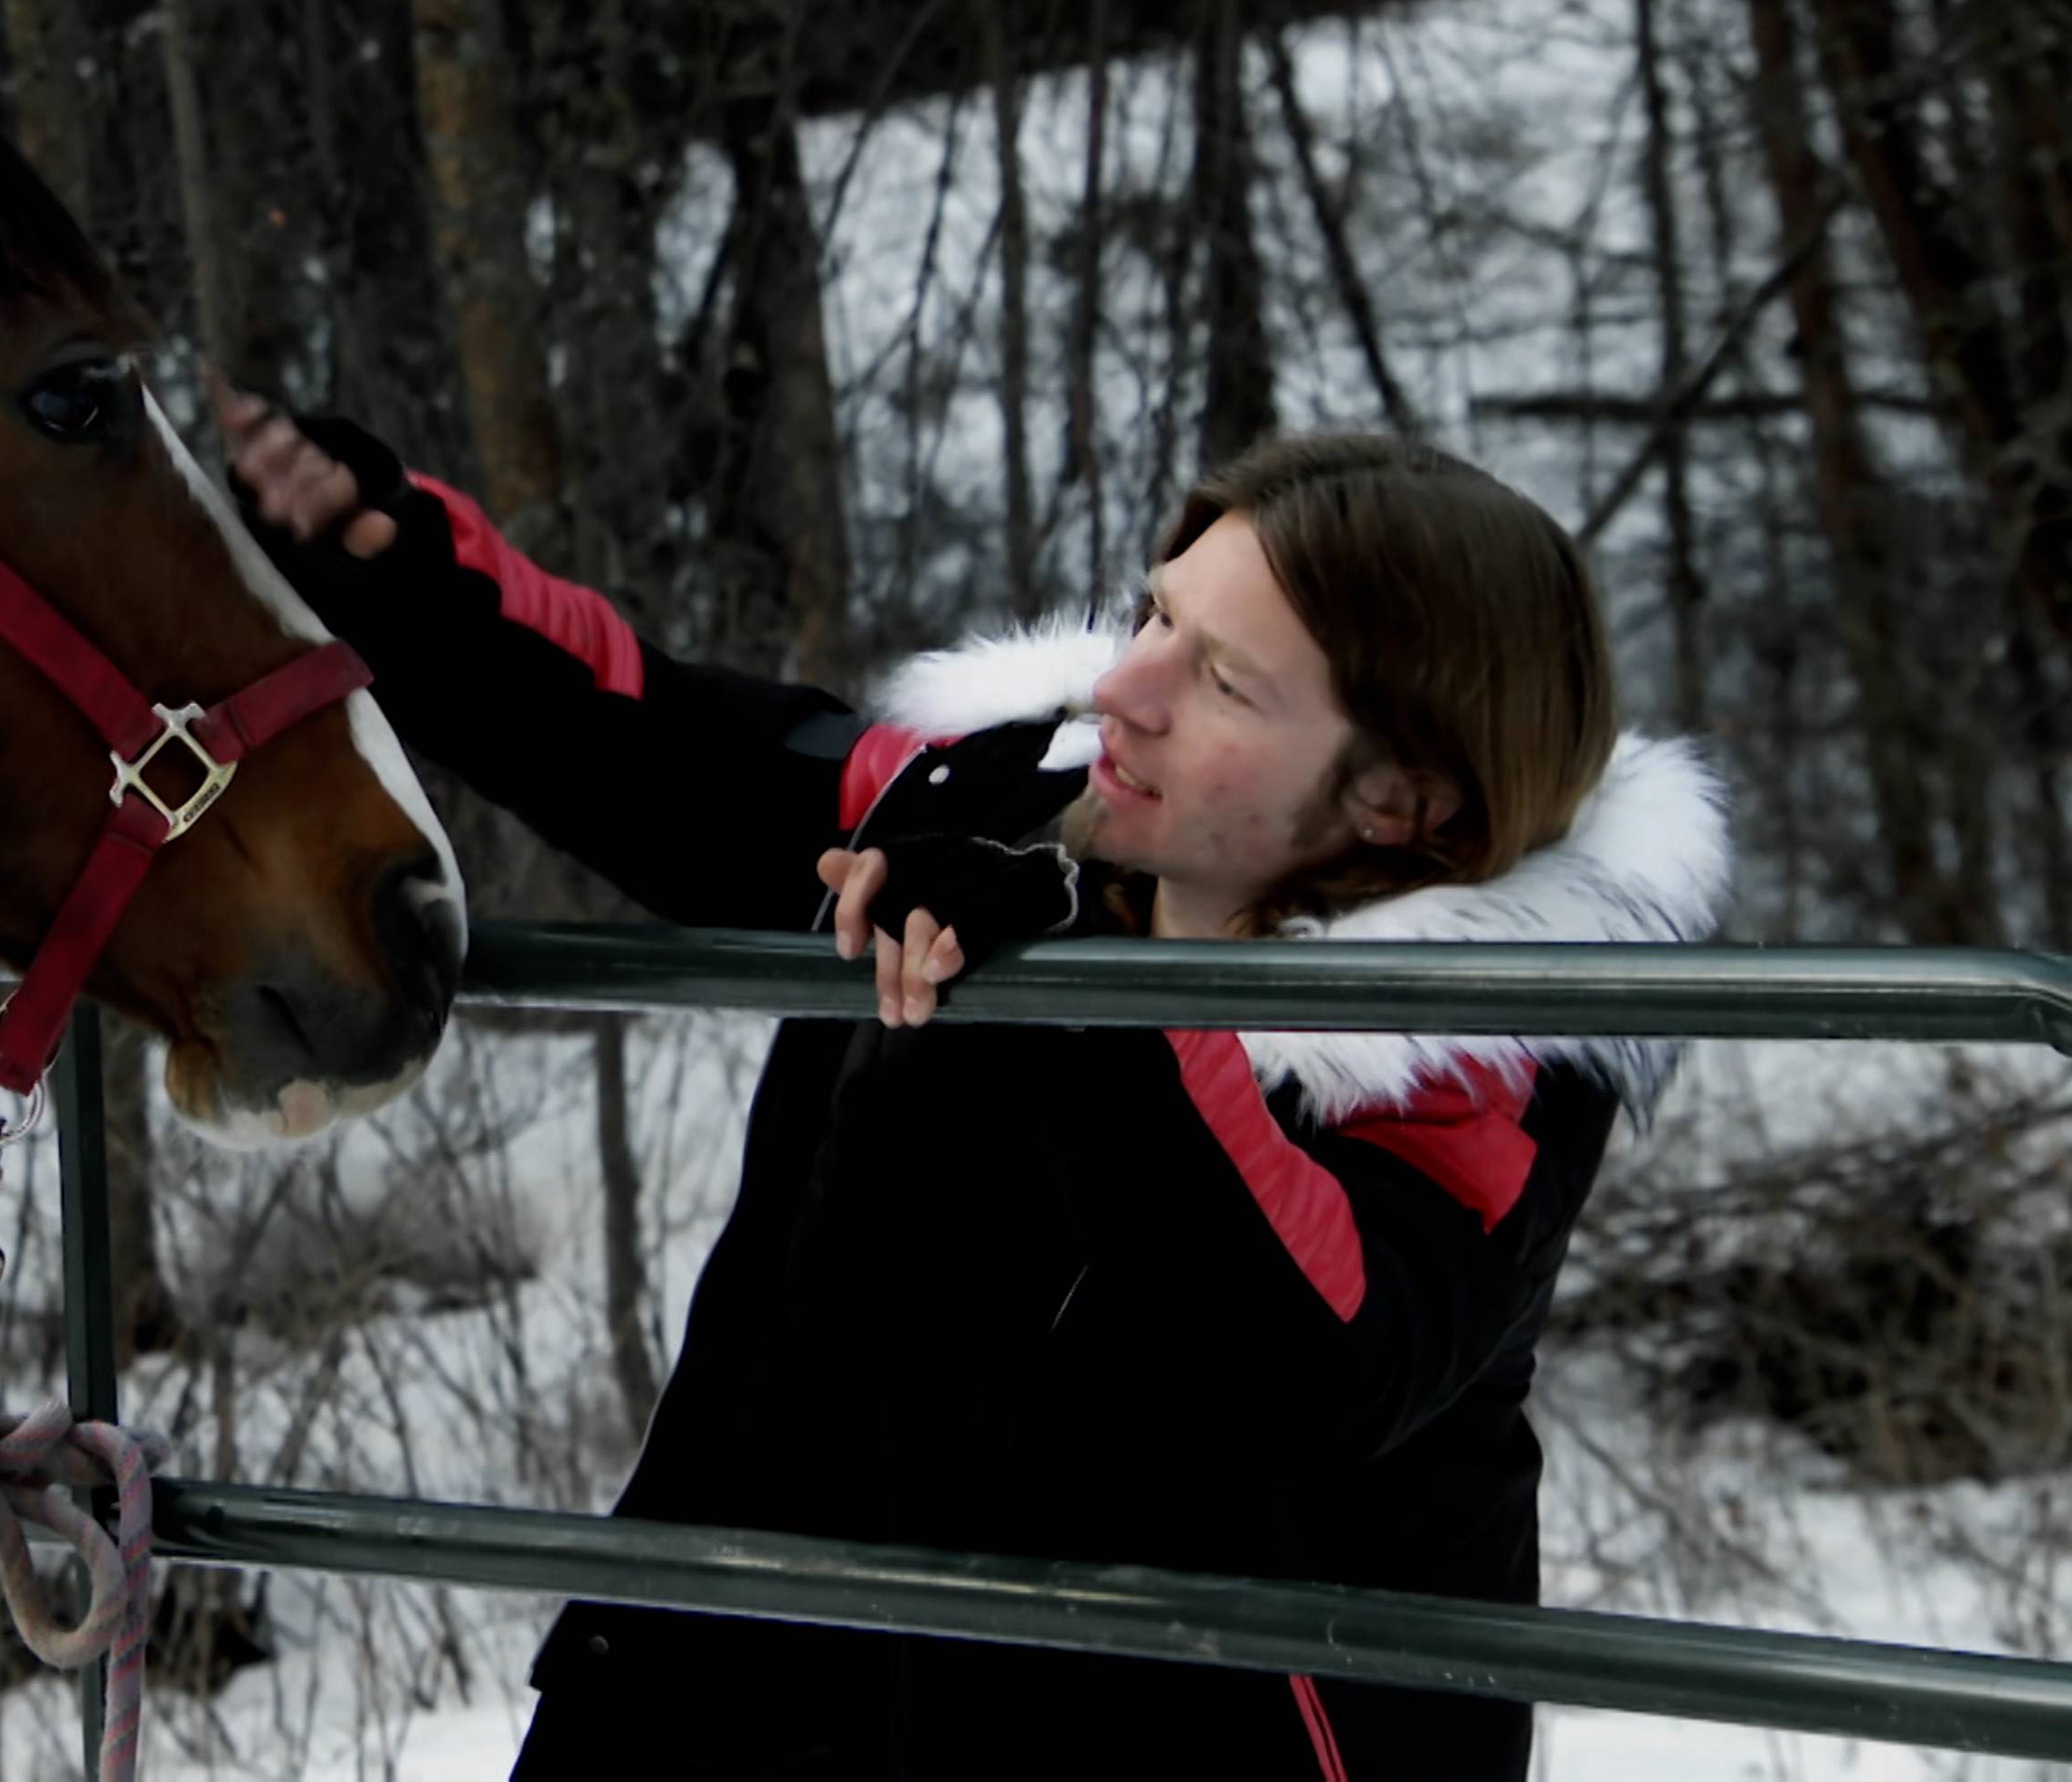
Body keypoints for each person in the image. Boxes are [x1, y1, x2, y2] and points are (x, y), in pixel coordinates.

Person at [211, 378, 1731, 1780]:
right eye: (1155, 615)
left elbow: (1315, 1363)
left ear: (1401, 797)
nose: (1126, 691)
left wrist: (1088, 998)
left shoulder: (1486, 1048)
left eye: (1223, 681)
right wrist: (394, 567)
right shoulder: (1008, 806)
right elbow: (666, 754)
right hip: (737, 1687)